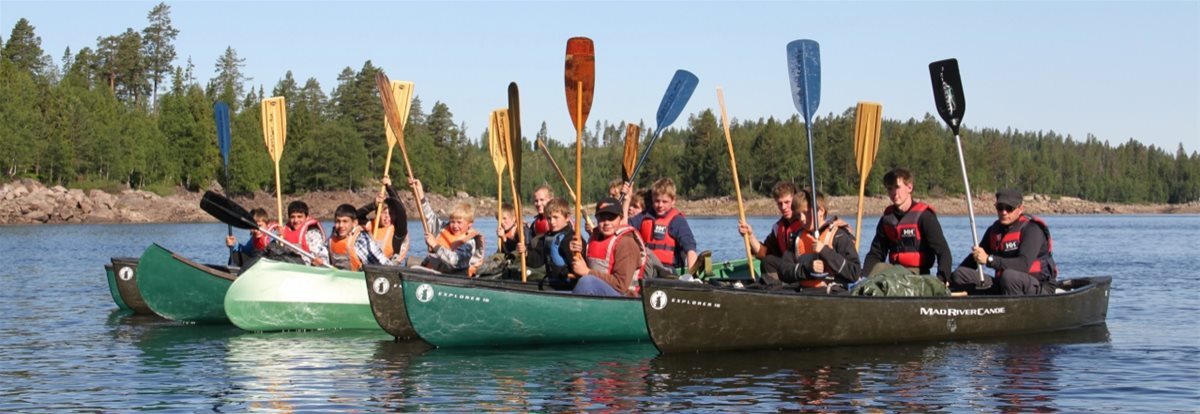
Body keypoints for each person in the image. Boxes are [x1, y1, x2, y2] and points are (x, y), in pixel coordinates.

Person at [950, 189, 1057, 295]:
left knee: (1009, 276)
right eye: (1000, 208)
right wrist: (949, 280)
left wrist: (989, 260)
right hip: (1004, 284)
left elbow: (1024, 264)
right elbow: (974, 260)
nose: (1004, 212)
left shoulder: (1032, 229)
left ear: (1020, 209)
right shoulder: (993, 231)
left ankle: (1014, 310)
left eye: (1009, 208)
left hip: (1038, 286)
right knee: (959, 274)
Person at [861, 168, 953, 282]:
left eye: (897, 187)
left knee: (881, 269)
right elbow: (875, 254)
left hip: (918, 275)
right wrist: (863, 278)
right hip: (894, 273)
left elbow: (943, 252)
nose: (894, 193)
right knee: (875, 270)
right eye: (890, 189)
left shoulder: (925, 217)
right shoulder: (887, 220)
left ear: (909, 187)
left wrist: (942, 280)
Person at [569, 197, 647, 297]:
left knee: (587, 282)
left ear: (621, 218)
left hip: (625, 298)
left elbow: (621, 285)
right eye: (602, 218)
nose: (606, 222)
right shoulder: (595, 237)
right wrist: (575, 253)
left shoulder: (627, 243)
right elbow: (585, 269)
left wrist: (587, 272)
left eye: (611, 218)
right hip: (601, 293)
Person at [738, 182, 807, 287]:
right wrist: (750, 235)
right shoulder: (778, 227)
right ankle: (776, 290)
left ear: (795, 200)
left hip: (805, 271)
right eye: (780, 203)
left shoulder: (807, 223)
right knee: (767, 261)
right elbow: (763, 253)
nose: (783, 207)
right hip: (788, 272)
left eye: (787, 202)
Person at [411, 178, 485, 274]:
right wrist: (420, 193)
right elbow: (428, 215)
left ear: (469, 224)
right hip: (435, 271)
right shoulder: (443, 228)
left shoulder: (469, 243)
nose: (455, 226)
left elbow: (455, 261)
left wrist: (435, 245)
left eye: (459, 222)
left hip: (455, 278)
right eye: (452, 221)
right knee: (411, 264)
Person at [793, 188, 862, 292]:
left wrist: (824, 251)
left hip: (831, 294)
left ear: (821, 211)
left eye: (806, 212)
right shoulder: (798, 237)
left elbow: (854, 273)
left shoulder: (839, 236)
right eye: (798, 215)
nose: (801, 218)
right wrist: (807, 268)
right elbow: (784, 269)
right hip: (805, 292)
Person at [636, 178, 698, 273]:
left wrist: (692, 276)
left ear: (673, 201)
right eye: (657, 201)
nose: (660, 205)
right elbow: (624, 227)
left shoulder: (677, 221)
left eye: (664, 202)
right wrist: (626, 201)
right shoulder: (644, 217)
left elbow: (691, 250)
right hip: (646, 267)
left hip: (668, 270)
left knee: (647, 253)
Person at [356, 177, 409, 265]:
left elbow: (401, 211)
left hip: (387, 268)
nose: (387, 217)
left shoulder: (398, 231)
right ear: (377, 213)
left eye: (391, 213)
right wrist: (373, 205)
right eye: (384, 213)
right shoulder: (371, 225)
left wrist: (390, 188)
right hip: (368, 266)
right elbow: (354, 216)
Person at [327, 204, 391, 271]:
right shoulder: (332, 238)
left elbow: (381, 261)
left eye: (345, 221)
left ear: (354, 223)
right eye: (338, 221)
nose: (341, 225)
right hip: (338, 278)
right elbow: (323, 255)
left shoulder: (361, 239)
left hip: (358, 278)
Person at [539, 197, 578, 290]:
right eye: (549, 218)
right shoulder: (547, 237)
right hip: (551, 282)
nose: (551, 222)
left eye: (556, 217)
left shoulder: (570, 239)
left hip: (566, 286)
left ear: (567, 218)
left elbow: (578, 271)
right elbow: (536, 260)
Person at [281, 200, 328, 266]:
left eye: (299, 217)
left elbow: (322, 254)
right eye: (292, 217)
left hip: (307, 268)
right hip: (288, 266)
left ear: (306, 217)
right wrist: (279, 237)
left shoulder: (313, 234)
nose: (296, 220)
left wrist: (319, 260)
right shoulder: (283, 232)